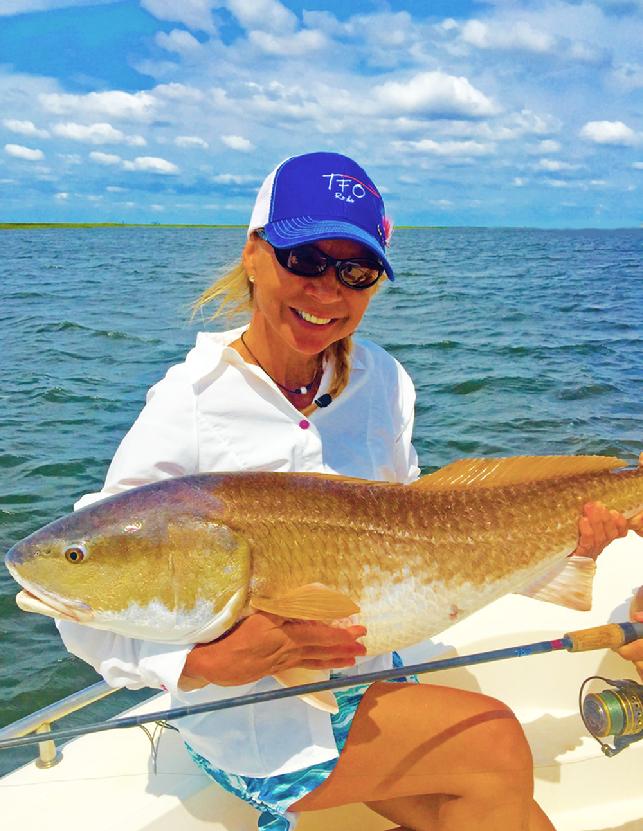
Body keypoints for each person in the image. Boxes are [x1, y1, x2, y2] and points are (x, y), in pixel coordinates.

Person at [57, 151, 641, 831]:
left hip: (375, 674)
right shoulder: (187, 402)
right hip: (256, 723)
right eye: (304, 258)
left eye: (355, 272)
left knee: (494, 806)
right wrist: (203, 664)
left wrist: (568, 543)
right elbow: (82, 604)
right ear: (254, 254)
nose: (327, 291)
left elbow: (418, 517)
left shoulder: (383, 381)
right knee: (490, 737)